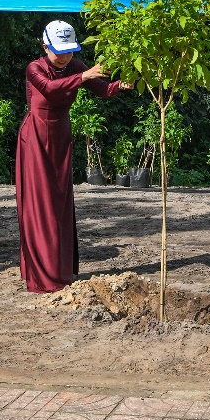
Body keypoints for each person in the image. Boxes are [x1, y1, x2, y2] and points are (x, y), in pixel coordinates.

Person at [14, 20, 127, 293]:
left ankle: (60, 268)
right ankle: (43, 275)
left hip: (61, 138)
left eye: (70, 51)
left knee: (60, 204)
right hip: (36, 139)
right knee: (41, 205)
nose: (65, 57)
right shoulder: (34, 68)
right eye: (59, 51)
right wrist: (85, 76)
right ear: (45, 47)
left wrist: (123, 84)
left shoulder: (75, 66)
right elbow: (51, 89)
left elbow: (103, 89)